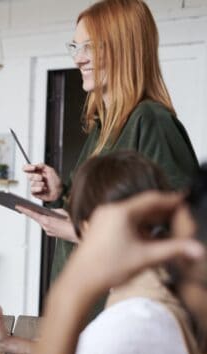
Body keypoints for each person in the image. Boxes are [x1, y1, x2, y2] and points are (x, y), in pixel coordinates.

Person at [20, 0, 198, 289]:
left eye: (91, 47)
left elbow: (182, 235)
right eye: (75, 47)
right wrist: (60, 194)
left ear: (126, 48)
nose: (78, 59)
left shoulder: (151, 121)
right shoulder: (103, 127)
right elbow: (101, 213)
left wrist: (76, 231)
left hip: (121, 318)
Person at [0, 152, 206, 354]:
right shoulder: (145, 303)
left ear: (91, 227)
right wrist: (7, 343)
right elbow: (86, 352)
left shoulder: (135, 319)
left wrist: (72, 290)